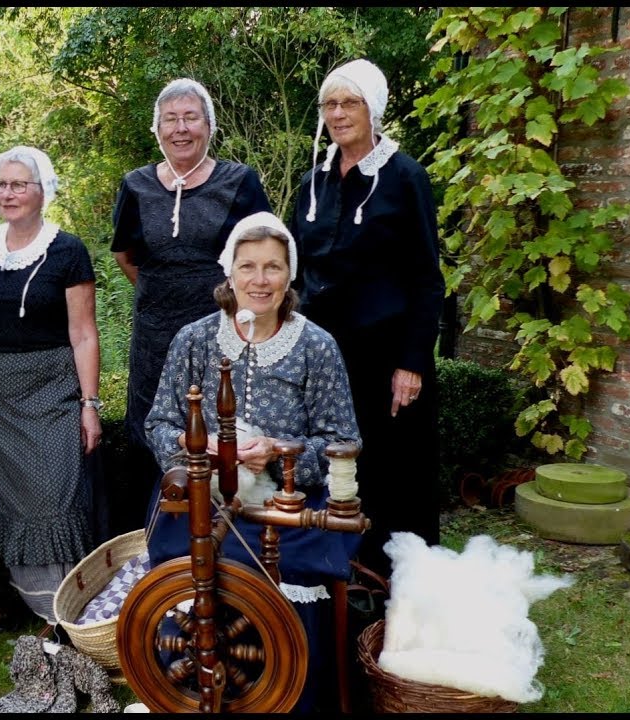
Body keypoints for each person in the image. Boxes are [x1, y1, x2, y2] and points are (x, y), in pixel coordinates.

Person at [144, 212, 362, 712]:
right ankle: (186, 694)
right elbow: (157, 424)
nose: (259, 281)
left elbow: (343, 440)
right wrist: (199, 455)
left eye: (272, 268)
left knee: (289, 577)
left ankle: (289, 698)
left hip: (291, 503)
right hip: (201, 497)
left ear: (290, 276)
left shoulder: (315, 346)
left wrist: (276, 453)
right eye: (248, 267)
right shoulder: (194, 339)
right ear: (229, 272)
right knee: (184, 569)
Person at [290, 59, 444, 579]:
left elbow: (427, 278)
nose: (337, 114)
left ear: (373, 108)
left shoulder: (405, 177)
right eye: (329, 104)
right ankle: (343, 579)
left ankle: (403, 586)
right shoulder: (312, 184)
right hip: (323, 359)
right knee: (338, 468)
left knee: (394, 471)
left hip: (386, 357)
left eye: (348, 102)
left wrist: (413, 362)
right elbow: (296, 273)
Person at [111, 77, 272, 529]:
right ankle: (155, 544)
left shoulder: (239, 182)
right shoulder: (136, 185)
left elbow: (262, 255)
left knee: (226, 429)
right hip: (155, 336)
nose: (180, 128)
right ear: (157, 128)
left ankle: (230, 540)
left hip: (221, 333)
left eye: (190, 117)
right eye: (170, 119)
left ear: (209, 125)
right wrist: (166, 292)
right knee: (154, 432)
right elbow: (127, 256)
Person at [0, 146, 104, 624]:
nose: (8, 193)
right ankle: (34, 603)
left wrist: (88, 403)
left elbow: (83, 334)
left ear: (44, 191)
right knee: (6, 498)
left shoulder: (68, 250)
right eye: (3, 184)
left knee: (53, 496)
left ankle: (65, 609)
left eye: (19, 184)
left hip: (50, 391)